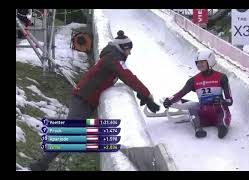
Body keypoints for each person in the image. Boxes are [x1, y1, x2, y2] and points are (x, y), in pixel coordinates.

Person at [30, 30, 160, 171]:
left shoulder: (112, 56)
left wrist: (142, 94)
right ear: (122, 48)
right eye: (128, 50)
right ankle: (40, 164)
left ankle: (43, 162)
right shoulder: (113, 59)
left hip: (86, 99)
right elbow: (128, 76)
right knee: (69, 133)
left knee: (71, 133)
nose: (129, 53)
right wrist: (147, 94)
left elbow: (125, 77)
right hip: (83, 99)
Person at [163, 48, 233, 139]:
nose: (199, 65)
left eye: (202, 62)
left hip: (219, 112)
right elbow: (181, 93)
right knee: (192, 109)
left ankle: (222, 127)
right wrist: (169, 100)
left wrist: (221, 100)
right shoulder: (193, 80)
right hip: (204, 113)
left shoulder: (222, 77)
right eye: (197, 63)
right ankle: (198, 128)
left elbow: (230, 101)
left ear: (209, 61)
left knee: (223, 111)